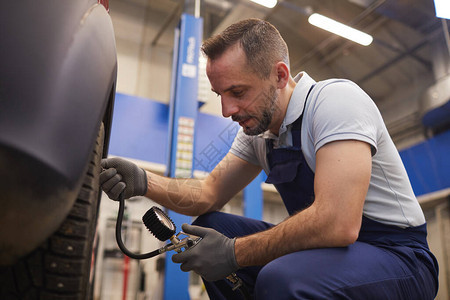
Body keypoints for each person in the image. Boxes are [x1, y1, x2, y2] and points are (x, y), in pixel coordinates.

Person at [100, 18, 439, 299]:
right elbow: (207, 194)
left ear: (279, 76)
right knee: (210, 228)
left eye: (238, 92)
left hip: (399, 258)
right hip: (332, 252)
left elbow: (338, 222)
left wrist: (233, 253)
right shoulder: (258, 134)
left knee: (284, 279)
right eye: (220, 95)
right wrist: (144, 181)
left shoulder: (336, 102)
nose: (226, 110)